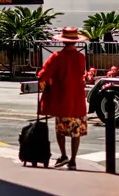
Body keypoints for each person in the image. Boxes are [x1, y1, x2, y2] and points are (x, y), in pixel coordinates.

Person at [38, 27, 89, 170]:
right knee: (76, 131)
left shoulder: (57, 57)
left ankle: (63, 155)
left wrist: (44, 82)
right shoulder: (80, 57)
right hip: (77, 99)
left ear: (63, 42)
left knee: (60, 129)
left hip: (62, 99)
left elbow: (44, 73)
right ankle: (73, 160)